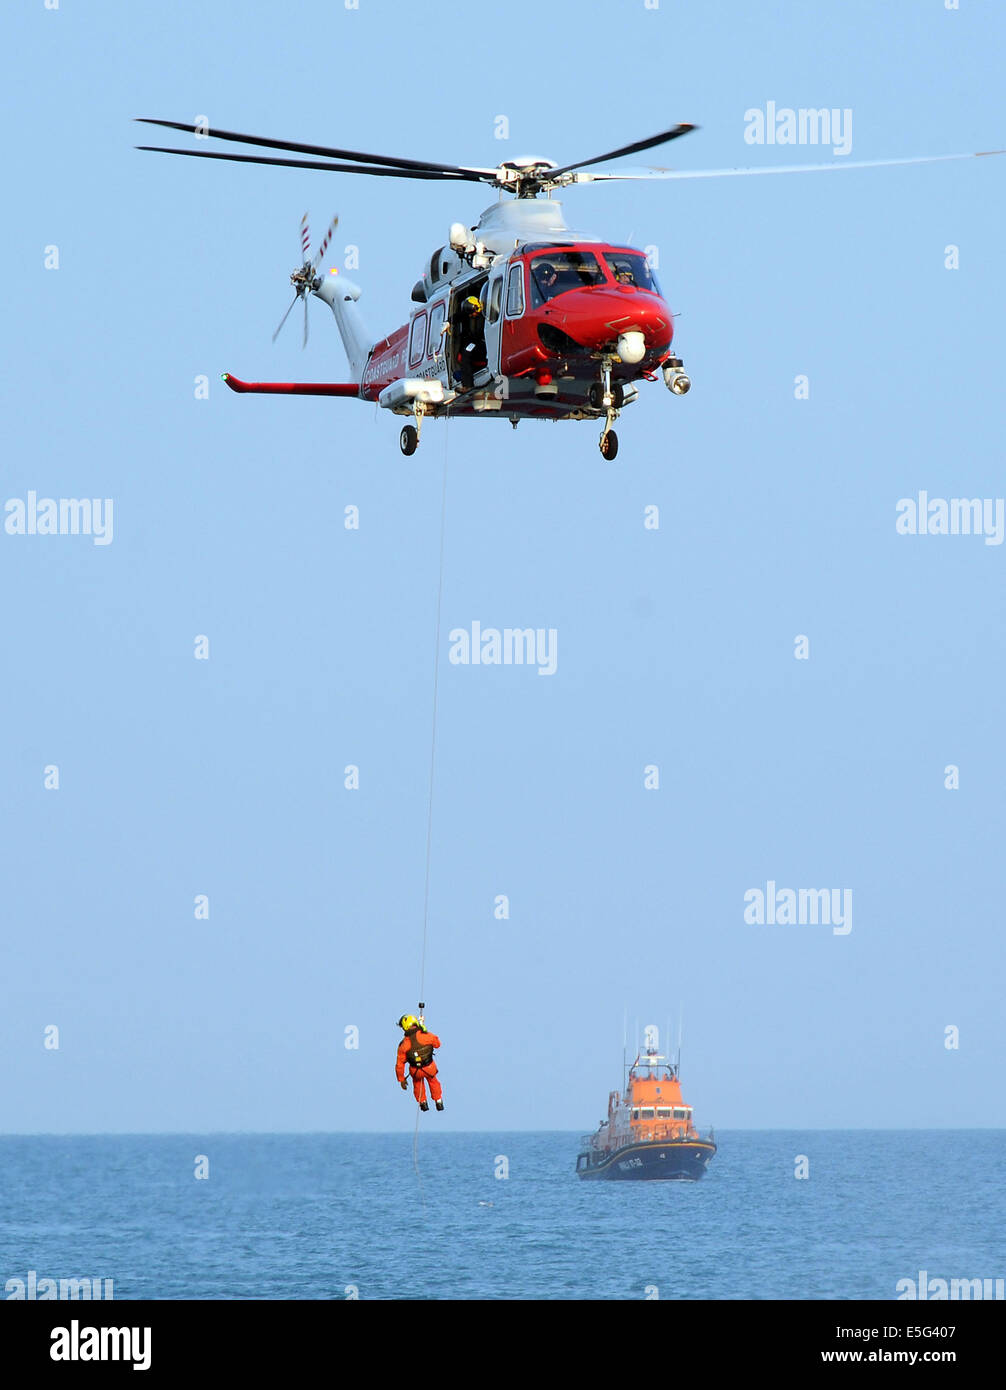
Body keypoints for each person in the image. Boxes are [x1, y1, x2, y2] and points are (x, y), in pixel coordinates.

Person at [395, 1015, 444, 1112]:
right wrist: (425, 1031)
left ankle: (423, 1103)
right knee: (433, 1081)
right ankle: (438, 1101)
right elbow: (437, 1044)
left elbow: (400, 1065)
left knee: (418, 1084)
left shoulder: (403, 1045)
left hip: (416, 1071)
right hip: (429, 1068)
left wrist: (401, 1079)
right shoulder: (426, 1036)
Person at [455, 295, 486, 389]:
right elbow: (458, 316)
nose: (470, 315)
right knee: (463, 354)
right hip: (475, 342)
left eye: (471, 313)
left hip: (481, 343)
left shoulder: (483, 316)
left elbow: (479, 335)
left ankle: (467, 386)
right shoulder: (471, 315)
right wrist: (448, 322)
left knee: (466, 353)